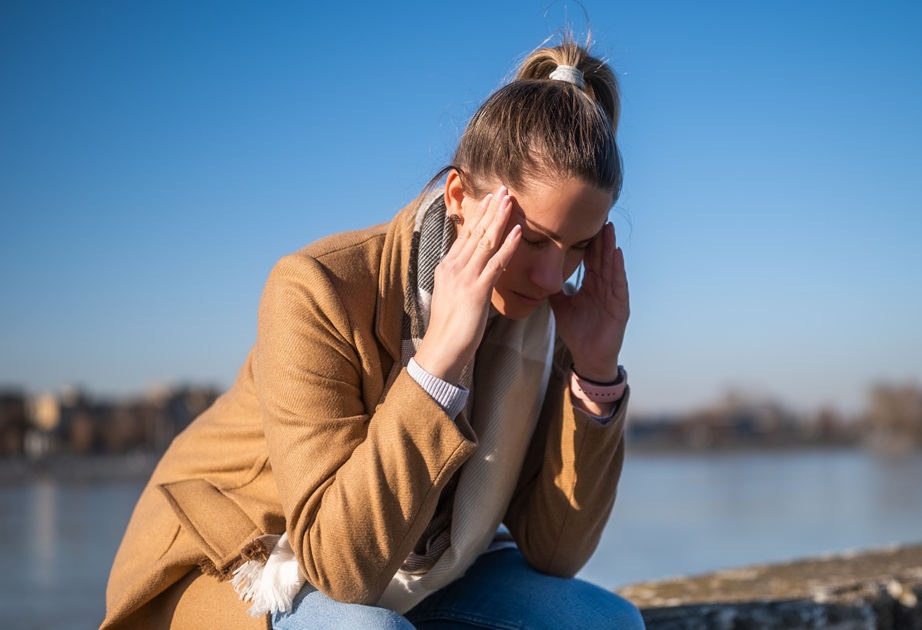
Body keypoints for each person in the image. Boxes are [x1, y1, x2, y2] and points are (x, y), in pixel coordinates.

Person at [101, 35, 644, 630]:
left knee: (607, 623)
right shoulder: (318, 288)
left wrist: (595, 374)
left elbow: (554, 552)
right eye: (532, 239)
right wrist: (438, 365)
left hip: (416, 564)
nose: (551, 276)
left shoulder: (542, 315)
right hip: (244, 559)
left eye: (577, 247)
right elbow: (342, 569)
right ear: (459, 198)